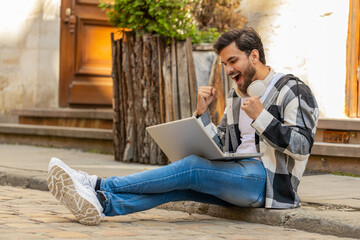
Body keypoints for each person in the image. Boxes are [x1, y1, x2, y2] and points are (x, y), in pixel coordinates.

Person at [47, 27, 319, 226]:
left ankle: (96, 183)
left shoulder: (293, 89)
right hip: (237, 173)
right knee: (181, 187)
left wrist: (262, 117)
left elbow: (302, 146)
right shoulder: (239, 93)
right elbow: (223, 143)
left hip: (268, 183)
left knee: (191, 168)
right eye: (224, 64)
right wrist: (202, 115)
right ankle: (103, 204)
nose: (227, 70)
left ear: (255, 56)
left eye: (233, 61)